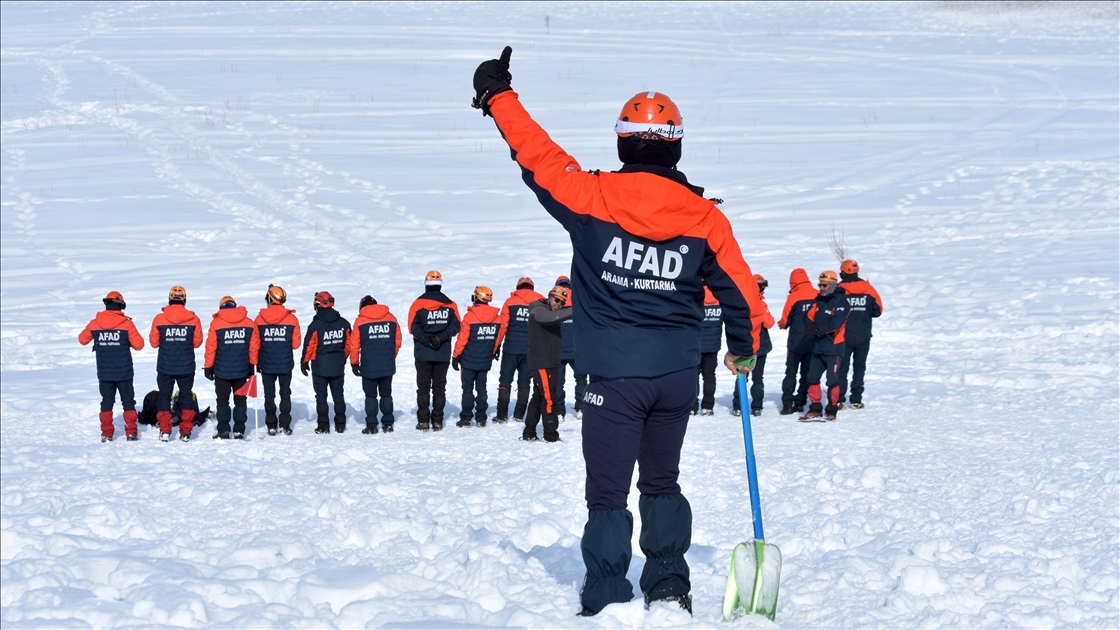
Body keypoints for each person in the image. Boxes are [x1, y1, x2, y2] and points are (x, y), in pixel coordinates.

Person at [472, 49, 765, 616]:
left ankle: (607, 593)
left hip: (612, 375)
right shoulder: (704, 217)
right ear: (675, 145)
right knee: (663, 481)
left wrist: (496, 95)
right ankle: (669, 585)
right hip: (676, 376)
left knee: (607, 492)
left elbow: (536, 153)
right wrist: (744, 348)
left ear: (623, 144)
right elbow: (739, 290)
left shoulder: (591, 196)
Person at [79, 291, 144, 442]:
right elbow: (139, 345)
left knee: (106, 402)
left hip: (104, 373)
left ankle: (107, 433)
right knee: (128, 402)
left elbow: (82, 340)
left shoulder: (94, 324)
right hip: (124, 372)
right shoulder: (126, 324)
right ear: (120, 306)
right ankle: (131, 432)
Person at [407, 271, 461, 431]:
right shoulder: (451, 304)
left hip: (423, 352)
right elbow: (456, 325)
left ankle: (423, 421)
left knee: (423, 387)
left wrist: (425, 339)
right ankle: (437, 421)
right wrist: (441, 337)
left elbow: (412, 326)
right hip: (442, 352)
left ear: (426, 284)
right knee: (439, 387)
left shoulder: (417, 304)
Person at [149, 285, 203, 441]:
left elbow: (153, 342)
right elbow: (197, 342)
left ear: (170, 299)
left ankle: (165, 430)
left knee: (164, 397)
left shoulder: (159, 319)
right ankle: (186, 431)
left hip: (165, 366)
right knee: (186, 397)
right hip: (186, 366)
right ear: (184, 300)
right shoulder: (194, 319)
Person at [204, 296, 260, 439]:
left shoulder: (216, 324)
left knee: (222, 400)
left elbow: (211, 347)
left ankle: (223, 430)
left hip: (222, 371)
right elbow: (254, 347)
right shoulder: (249, 323)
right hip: (242, 371)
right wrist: (252, 364)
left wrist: (208, 366)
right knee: (240, 400)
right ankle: (239, 430)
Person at [523, 285, 573, 442]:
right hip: (542, 362)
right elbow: (549, 318)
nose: (559, 303)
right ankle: (551, 435)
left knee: (539, 398)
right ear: (549, 297)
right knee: (550, 399)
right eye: (557, 300)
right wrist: (577, 309)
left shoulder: (550, 312)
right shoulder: (539, 309)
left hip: (550, 362)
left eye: (562, 302)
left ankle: (529, 432)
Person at [799, 271, 850, 422]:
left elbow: (837, 323)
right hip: (817, 347)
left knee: (832, 380)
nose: (820, 288)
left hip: (833, 348)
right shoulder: (818, 300)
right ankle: (815, 408)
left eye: (824, 285)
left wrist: (819, 329)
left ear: (832, 285)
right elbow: (808, 316)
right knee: (812, 377)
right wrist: (812, 327)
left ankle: (832, 409)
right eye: (819, 284)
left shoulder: (841, 301)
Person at [350, 295, 401, 434]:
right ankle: (388, 423)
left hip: (368, 366)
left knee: (370, 396)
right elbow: (397, 341)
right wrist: (391, 355)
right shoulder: (391, 318)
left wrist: (354, 363)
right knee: (386, 394)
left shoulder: (360, 321)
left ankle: (372, 425)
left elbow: (354, 345)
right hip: (387, 364)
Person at [301, 291, 351, 434]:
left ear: (317, 305)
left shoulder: (316, 325)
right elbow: (348, 345)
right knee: (338, 395)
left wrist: (304, 362)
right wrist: (343, 358)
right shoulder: (344, 323)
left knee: (321, 396)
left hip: (320, 367)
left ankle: (323, 426)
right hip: (337, 365)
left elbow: (309, 345)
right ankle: (340, 424)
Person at [452, 286, 502, 427]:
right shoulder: (497, 318)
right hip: (485, 360)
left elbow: (462, 339)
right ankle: (481, 417)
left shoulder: (470, 316)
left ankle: (466, 417)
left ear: (477, 297)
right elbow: (497, 339)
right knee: (482, 388)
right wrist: (493, 351)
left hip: (468, 360)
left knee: (467, 389)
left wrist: (456, 356)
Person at [495, 277, 543, 423]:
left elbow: (503, 326)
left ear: (518, 287)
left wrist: (496, 346)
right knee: (524, 383)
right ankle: (519, 415)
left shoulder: (510, 302)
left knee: (505, 381)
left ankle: (502, 415)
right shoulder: (540, 303)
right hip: (530, 349)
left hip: (511, 349)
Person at [836, 259, 883, 409]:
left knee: (842, 368)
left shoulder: (838, 290)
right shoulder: (869, 289)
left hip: (843, 336)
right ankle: (856, 399)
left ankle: (839, 399)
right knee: (859, 367)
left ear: (843, 272)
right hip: (863, 336)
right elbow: (878, 311)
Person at [255, 284, 300, 436]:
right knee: (285, 394)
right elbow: (296, 344)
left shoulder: (259, 319)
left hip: (266, 364)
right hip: (285, 364)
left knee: (269, 395)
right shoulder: (292, 319)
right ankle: (285, 425)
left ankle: (271, 425)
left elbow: (255, 344)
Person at [732, 275, 775, 416]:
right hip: (759, 347)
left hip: (743, 345)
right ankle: (756, 406)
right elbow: (769, 323)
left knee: (742, 375)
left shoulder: (739, 301)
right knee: (757, 378)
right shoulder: (760, 304)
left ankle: (738, 406)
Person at [778, 268, 818, 415]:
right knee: (806, 374)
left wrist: (781, 325)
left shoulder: (794, 297)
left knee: (790, 373)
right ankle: (800, 403)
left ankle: (787, 404)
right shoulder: (817, 294)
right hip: (813, 342)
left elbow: (785, 320)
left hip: (795, 343)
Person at [554, 275, 587, 421]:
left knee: (558, 381)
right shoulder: (580, 302)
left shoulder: (554, 303)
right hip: (577, 349)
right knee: (581, 379)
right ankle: (581, 408)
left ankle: (559, 411)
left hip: (558, 349)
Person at [694, 285, 722, 416]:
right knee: (709, 376)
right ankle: (708, 406)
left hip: (696, 345)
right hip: (713, 346)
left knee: (694, 377)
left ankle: (692, 406)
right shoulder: (719, 301)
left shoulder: (696, 300)